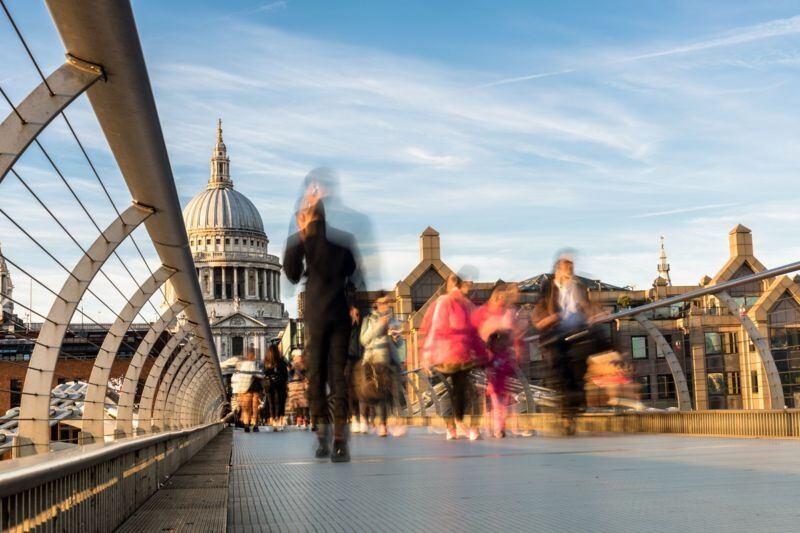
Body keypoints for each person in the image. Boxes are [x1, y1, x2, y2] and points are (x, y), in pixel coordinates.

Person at [283, 190, 360, 462]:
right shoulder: (343, 243)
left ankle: (322, 439)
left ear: (307, 216)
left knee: (316, 380)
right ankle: (340, 441)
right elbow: (353, 274)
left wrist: (300, 233)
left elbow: (292, 274)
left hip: (315, 316)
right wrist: (352, 305)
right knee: (338, 378)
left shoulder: (302, 241)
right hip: (339, 314)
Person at [532, 250, 603, 433]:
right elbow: (539, 310)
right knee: (561, 374)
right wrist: (549, 319)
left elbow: (586, 308)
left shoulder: (578, 287)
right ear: (558, 268)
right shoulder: (548, 286)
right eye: (567, 266)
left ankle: (572, 410)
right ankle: (566, 416)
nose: (571, 269)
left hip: (575, 334)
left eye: (572, 266)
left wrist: (594, 315)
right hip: (554, 336)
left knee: (578, 373)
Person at [421, 273, 487, 441]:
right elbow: (434, 328)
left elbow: (474, 331)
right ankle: (456, 425)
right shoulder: (447, 303)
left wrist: (483, 353)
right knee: (455, 392)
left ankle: (458, 424)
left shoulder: (462, 304)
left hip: (456, 355)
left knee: (461, 391)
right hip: (447, 355)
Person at [472, 282, 524, 438]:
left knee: (502, 401)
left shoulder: (508, 312)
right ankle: (496, 427)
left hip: (498, 368)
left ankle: (499, 427)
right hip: (492, 367)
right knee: (495, 402)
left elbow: (514, 334)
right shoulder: (486, 312)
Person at [358, 293, 403, 437]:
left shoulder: (393, 321)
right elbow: (364, 340)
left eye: (387, 302)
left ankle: (391, 422)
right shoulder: (369, 320)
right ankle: (372, 420)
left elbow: (399, 343)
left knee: (392, 392)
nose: (385, 305)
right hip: (373, 359)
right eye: (382, 303)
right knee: (374, 392)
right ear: (376, 304)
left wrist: (396, 338)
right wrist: (379, 326)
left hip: (390, 360)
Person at [231, 350, 264, 433]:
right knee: (254, 408)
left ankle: (246, 425)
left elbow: (236, 378)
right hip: (253, 389)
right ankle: (255, 426)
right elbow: (257, 374)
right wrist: (262, 376)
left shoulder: (240, 365)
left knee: (246, 409)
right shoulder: (251, 364)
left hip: (243, 390)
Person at [263, 345, 289, 431]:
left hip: (268, 385)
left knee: (271, 404)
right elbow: (285, 374)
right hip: (280, 384)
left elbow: (264, 373)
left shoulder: (266, 361)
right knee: (279, 403)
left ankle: (273, 421)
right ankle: (278, 421)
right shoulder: (281, 361)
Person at [287, 350, 310, 429]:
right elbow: (307, 375)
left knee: (296, 405)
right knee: (305, 405)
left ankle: (298, 420)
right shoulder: (304, 364)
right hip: (302, 385)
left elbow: (289, 375)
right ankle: (305, 421)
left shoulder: (292, 364)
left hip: (293, 386)